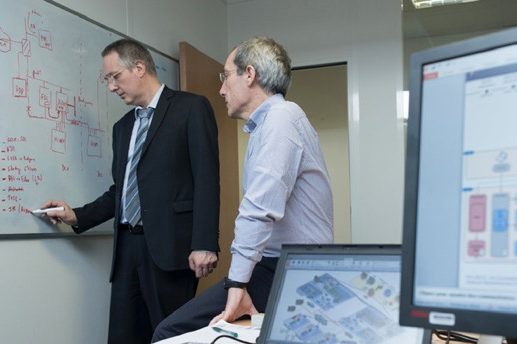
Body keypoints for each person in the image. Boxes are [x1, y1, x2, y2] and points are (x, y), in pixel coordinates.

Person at [152, 36, 334, 342]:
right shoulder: (270, 124)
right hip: (277, 265)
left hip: (291, 268)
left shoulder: (281, 119)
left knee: (170, 332)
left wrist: (236, 283)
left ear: (249, 74)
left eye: (225, 77)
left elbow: (259, 210)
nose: (221, 89)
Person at [41, 39, 220, 344]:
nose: (111, 87)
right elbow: (120, 192)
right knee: (123, 336)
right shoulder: (123, 127)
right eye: (107, 80)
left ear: (139, 68)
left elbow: (206, 178)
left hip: (170, 250)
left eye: (114, 77)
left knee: (172, 337)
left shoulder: (190, 108)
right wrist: (76, 215)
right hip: (127, 250)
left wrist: (204, 243)